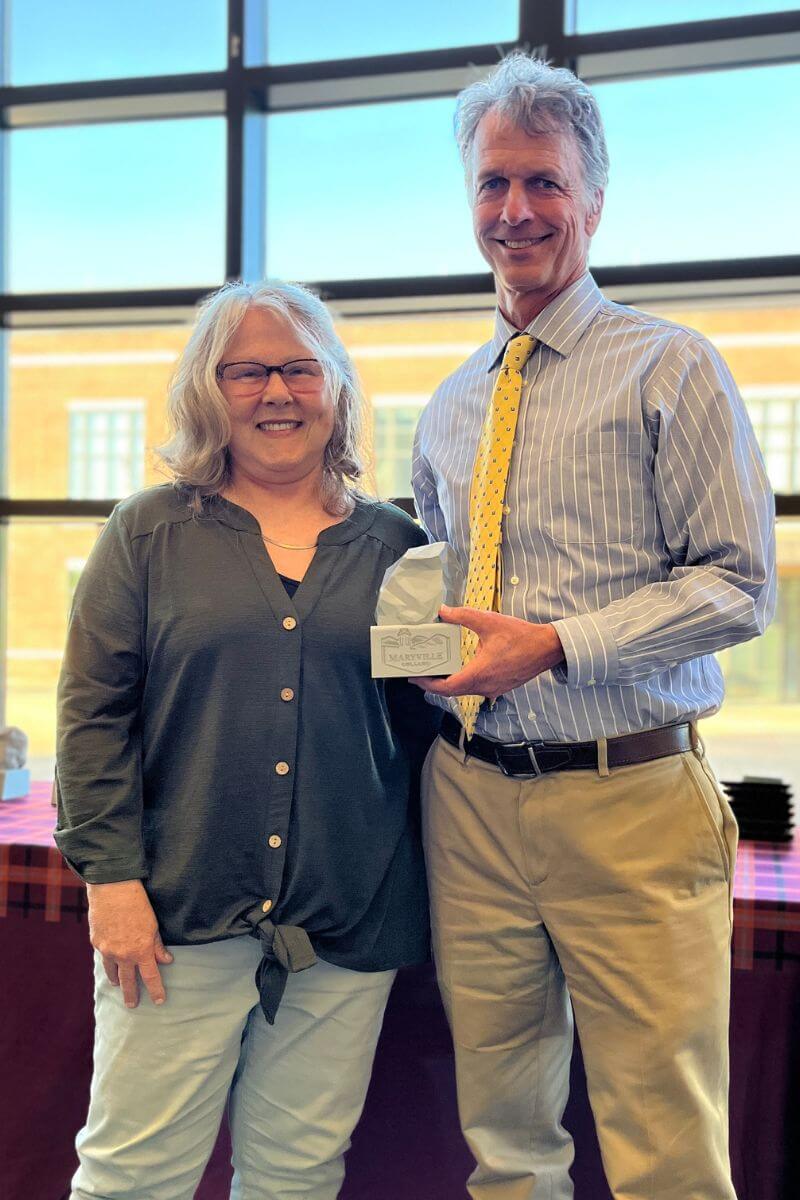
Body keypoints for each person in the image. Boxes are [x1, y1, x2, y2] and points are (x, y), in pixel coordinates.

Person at [411, 53, 775, 1200]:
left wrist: (559, 645)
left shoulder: (671, 366)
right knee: (503, 1135)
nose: (514, 212)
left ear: (593, 199)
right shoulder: (452, 399)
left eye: (543, 183)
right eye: (490, 184)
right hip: (466, 800)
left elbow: (737, 587)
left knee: (664, 1142)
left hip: (629, 800)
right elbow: (439, 583)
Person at [55, 280, 440, 1200]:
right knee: (131, 1177)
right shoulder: (146, 532)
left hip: (349, 921)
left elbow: (426, 728)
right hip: (173, 918)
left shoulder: (402, 547)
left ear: (336, 389)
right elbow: (91, 715)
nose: (277, 392)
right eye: (247, 371)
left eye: (300, 369)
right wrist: (111, 883)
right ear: (207, 391)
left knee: (298, 1176)